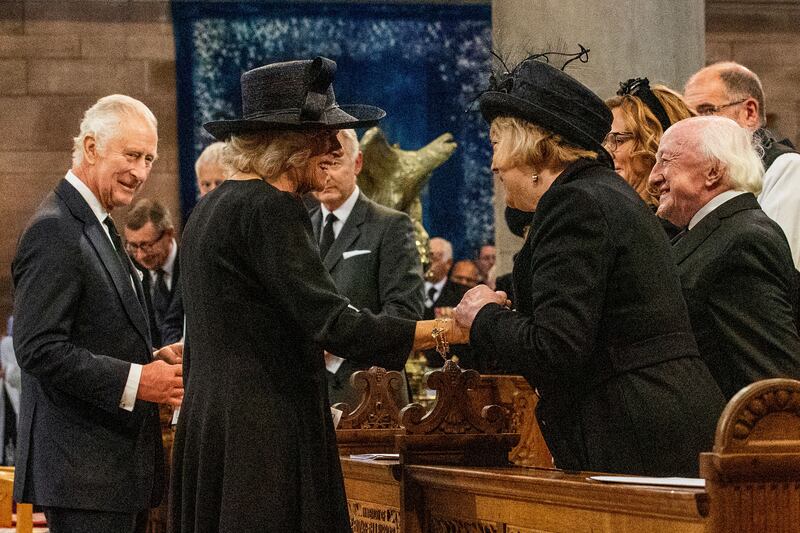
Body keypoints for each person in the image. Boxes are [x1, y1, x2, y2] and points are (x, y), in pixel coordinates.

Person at [169, 57, 467, 533]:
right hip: (265, 441)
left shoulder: (211, 209)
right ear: (289, 145)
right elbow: (335, 323)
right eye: (321, 135)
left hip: (216, 435)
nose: (332, 147)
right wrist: (446, 330)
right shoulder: (271, 208)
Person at [454, 54, 725, 477]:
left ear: (530, 146)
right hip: (651, 419)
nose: (494, 165)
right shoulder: (601, 193)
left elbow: (557, 346)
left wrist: (482, 315)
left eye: (495, 145)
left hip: (633, 430)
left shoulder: (576, 204)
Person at [11, 94, 184, 533]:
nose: (142, 172)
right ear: (91, 148)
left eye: (149, 158)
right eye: (131, 155)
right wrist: (137, 381)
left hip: (110, 474)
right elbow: (38, 349)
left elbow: (99, 332)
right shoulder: (56, 228)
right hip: (83, 476)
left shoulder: (98, 224)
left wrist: (154, 357)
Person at [648, 116, 800, 399]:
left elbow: (773, 379)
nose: (653, 176)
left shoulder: (744, 239)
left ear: (713, 172)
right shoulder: (713, 231)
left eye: (666, 161)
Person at [309, 128, 424, 408]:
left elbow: (404, 315)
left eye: (334, 162)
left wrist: (334, 342)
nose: (325, 175)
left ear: (357, 162)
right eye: (317, 164)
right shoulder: (299, 229)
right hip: (310, 397)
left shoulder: (390, 226)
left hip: (373, 397)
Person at [684, 61, 800, 267]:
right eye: (688, 117)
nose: (693, 125)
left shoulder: (787, 169)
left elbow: (777, 263)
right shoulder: (707, 174)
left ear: (749, 112)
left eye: (707, 111)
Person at [604, 78, 694, 237]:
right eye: (604, 140)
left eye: (618, 140)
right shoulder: (614, 215)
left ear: (657, 144)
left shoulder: (664, 230)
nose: (606, 151)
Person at [125, 198, 183, 346]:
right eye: (133, 246)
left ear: (168, 234)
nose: (140, 255)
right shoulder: (130, 269)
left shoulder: (191, 263)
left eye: (146, 245)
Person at [423, 237, 468, 320]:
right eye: (426, 258)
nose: (427, 263)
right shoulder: (410, 289)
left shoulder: (462, 295)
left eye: (434, 258)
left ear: (448, 263)